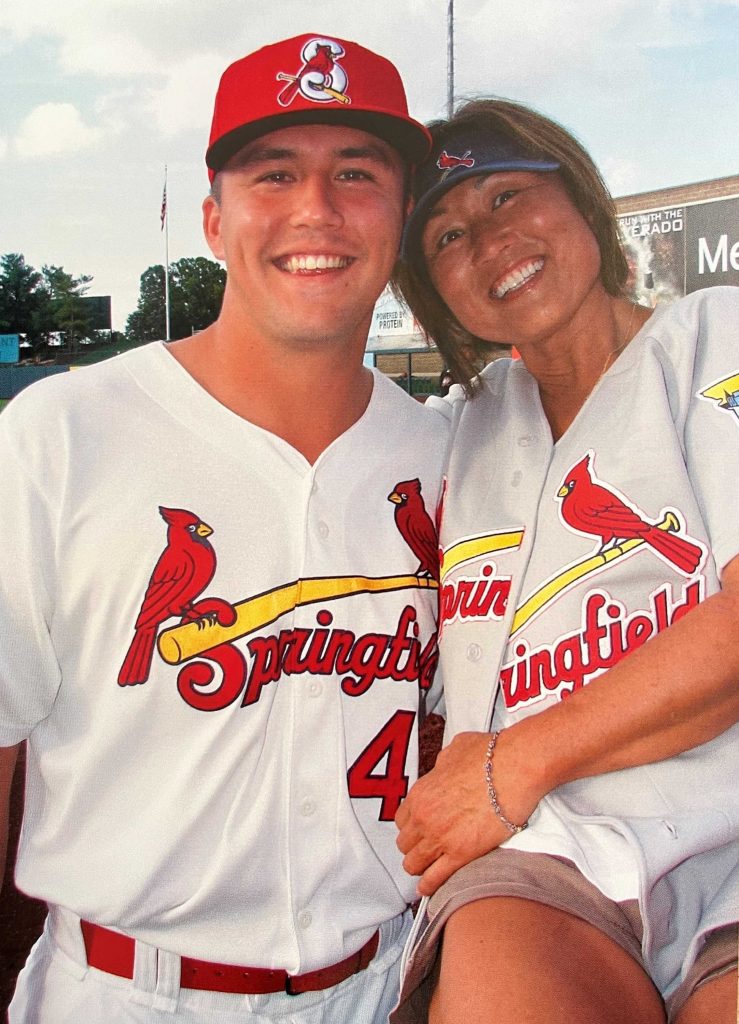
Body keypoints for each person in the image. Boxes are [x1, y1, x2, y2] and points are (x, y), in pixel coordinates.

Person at [0, 33, 450, 1023]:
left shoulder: (452, 455)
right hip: (124, 991)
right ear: (213, 217)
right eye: (273, 172)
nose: (316, 211)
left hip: (381, 985)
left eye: (358, 173)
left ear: (403, 212)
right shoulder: (62, 432)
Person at [392, 99, 739, 1024]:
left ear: (580, 197)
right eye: (446, 236)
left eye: (509, 194)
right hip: (547, 853)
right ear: (435, 297)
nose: (489, 239)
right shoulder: (455, 430)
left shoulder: (714, 336)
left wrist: (511, 764)